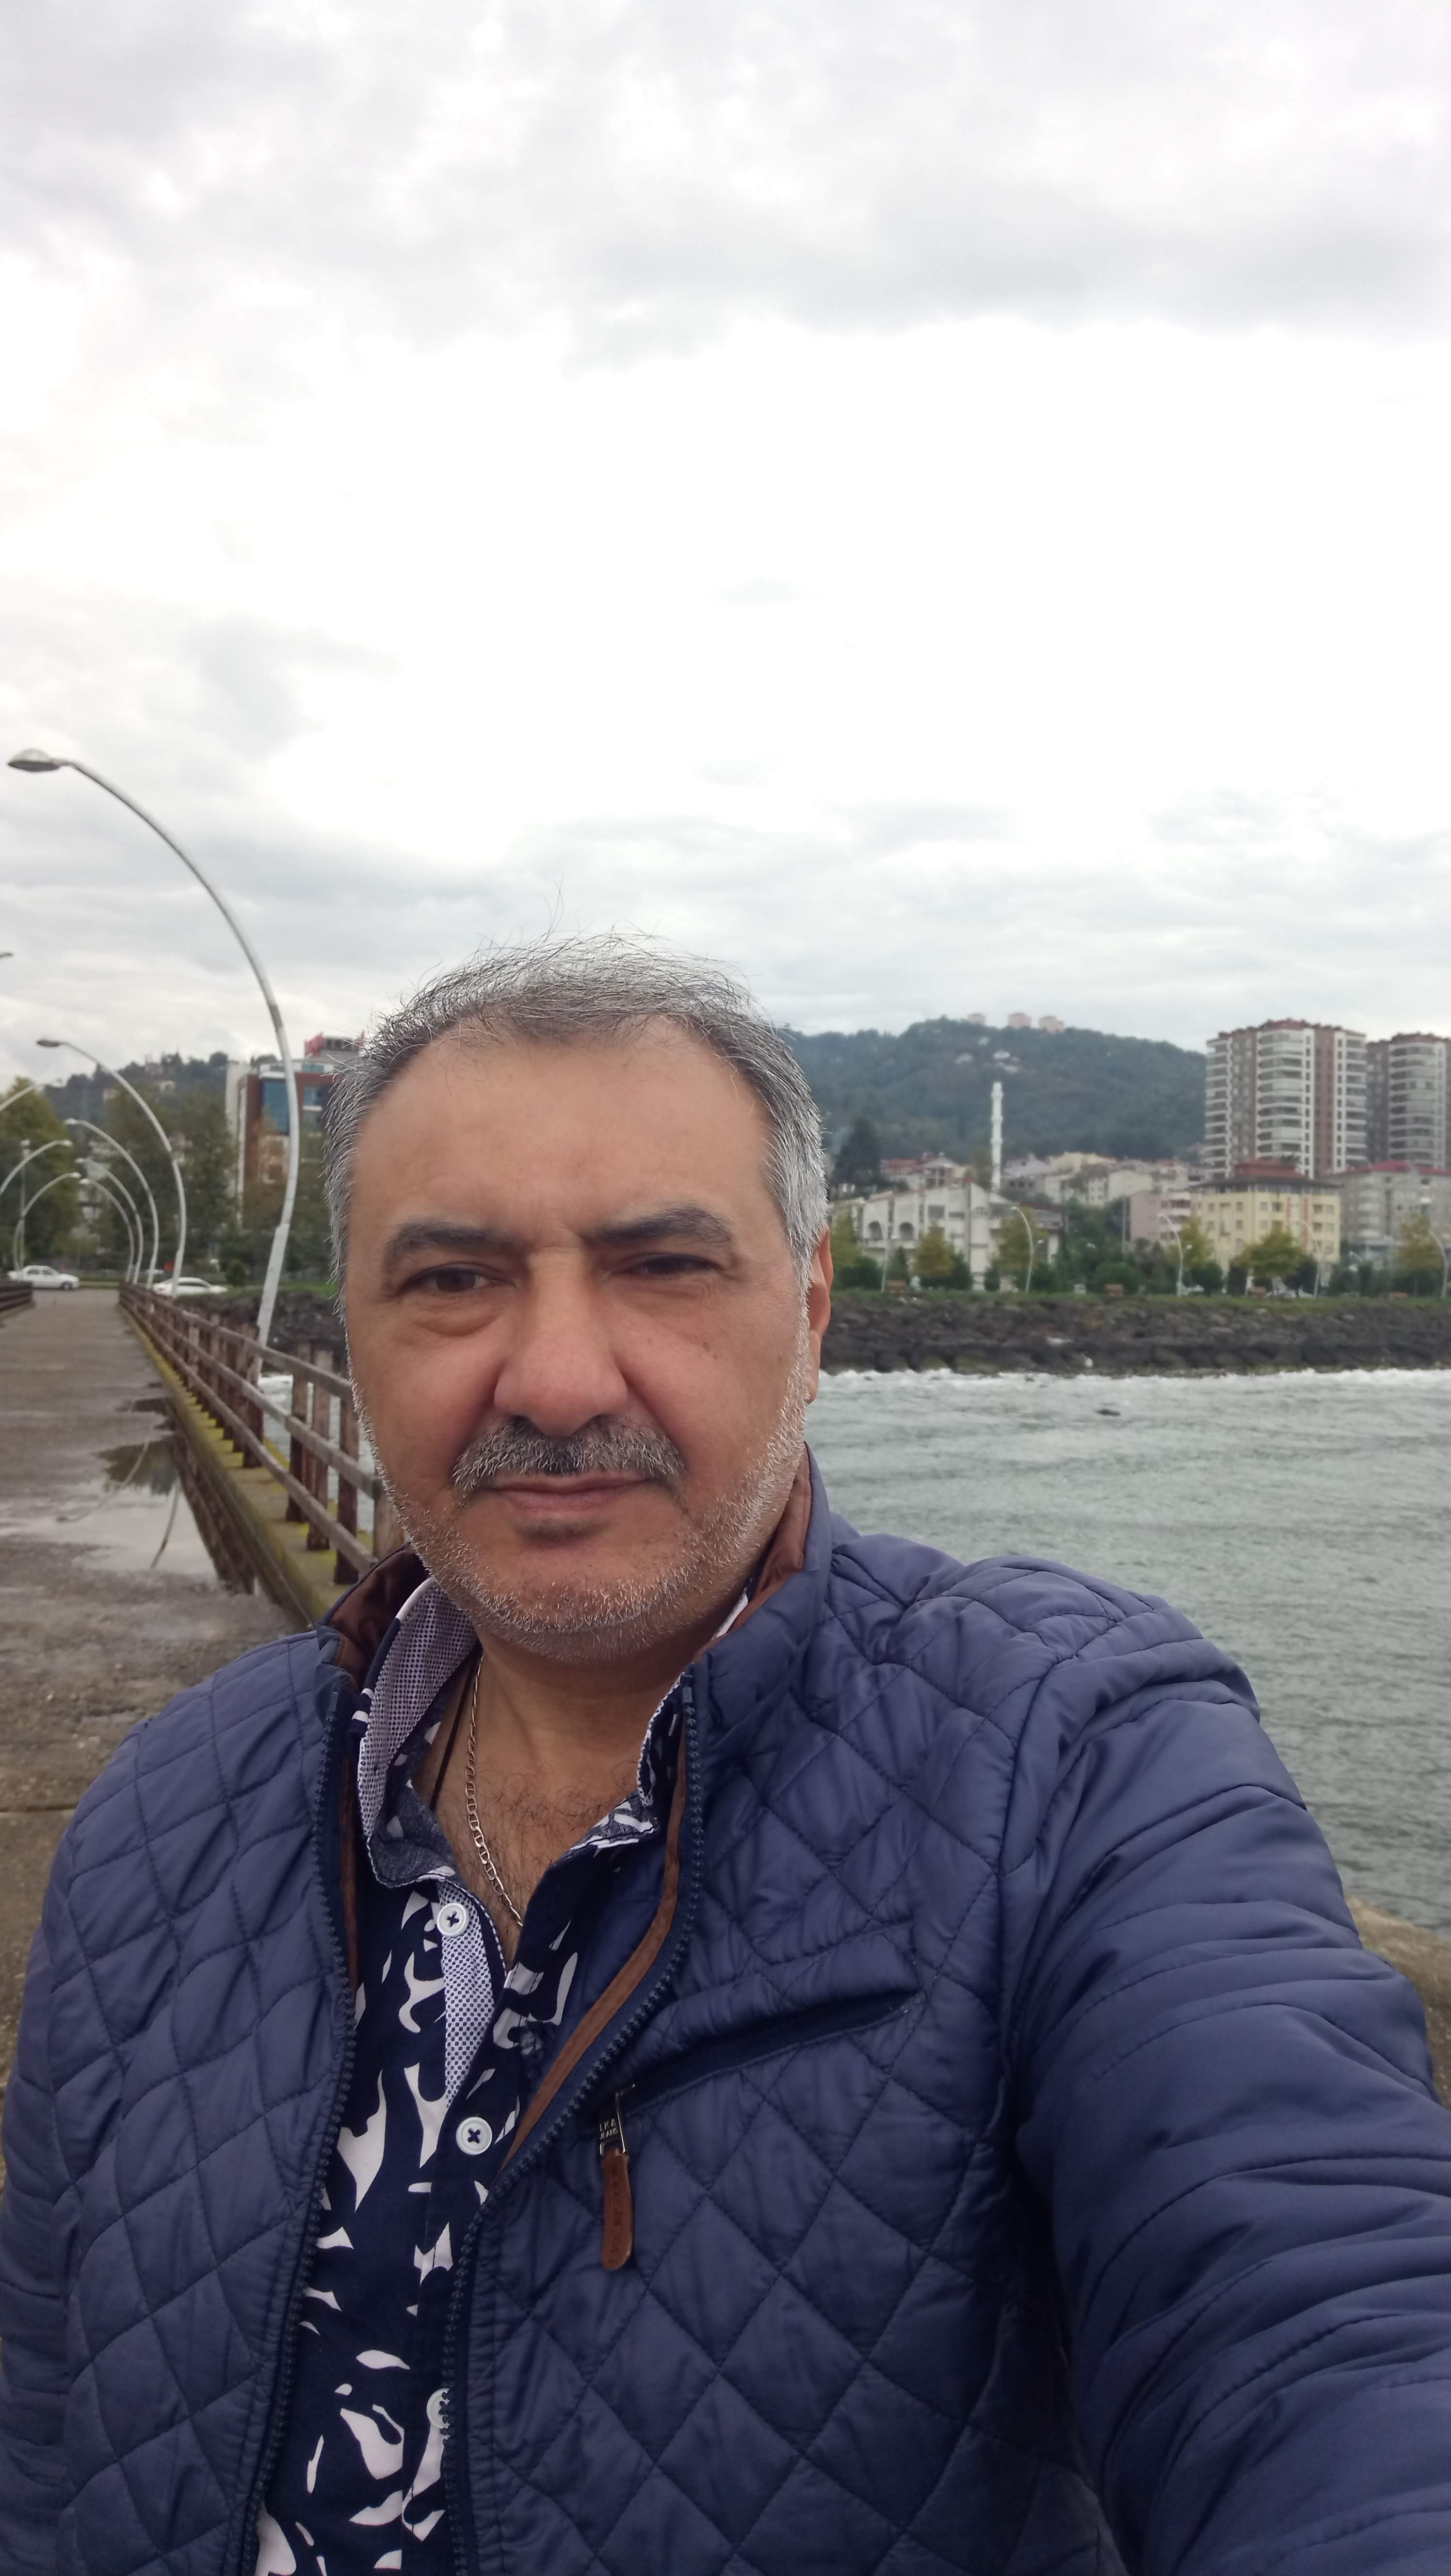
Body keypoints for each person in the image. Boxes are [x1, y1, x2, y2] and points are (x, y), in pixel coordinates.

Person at [3, 937, 1451, 2576]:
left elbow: (1326, 2317)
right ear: (351, 1321)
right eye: (454, 1279)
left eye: (663, 1266)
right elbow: (50, 2443)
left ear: (811, 1308)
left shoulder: (1073, 1768)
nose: (557, 1380)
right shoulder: (161, 1822)